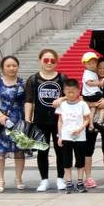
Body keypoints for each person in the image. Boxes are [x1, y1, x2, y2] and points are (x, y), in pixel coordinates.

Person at [24, 49, 67, 192]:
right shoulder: (33, 79)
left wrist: (62, 98)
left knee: (61, 150)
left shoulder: (62, 78)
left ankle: (61, 178)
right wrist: (27, 120)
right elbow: (29, 101)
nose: (49, 63)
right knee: (42, 151)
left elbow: (72, 95)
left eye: (52, 60)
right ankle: (44, 180)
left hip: (59, 120)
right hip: (40, 120)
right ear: (40, 61)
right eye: (46, 60)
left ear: (56, 62)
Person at [0, 56, 27, 193]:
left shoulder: (23, 83)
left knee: (19, 152)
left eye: (14, 65)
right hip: (1, 122)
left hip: (18, 121)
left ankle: (19, 179)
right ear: (3, 67)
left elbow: (27, 102)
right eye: (8, 66)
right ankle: (0, 180)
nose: (11, 68)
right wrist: (0, 115)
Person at [81, 58, 104, 187]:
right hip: (90, 119)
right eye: (99, 67)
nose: (102, 70)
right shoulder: (89, 82)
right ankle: (88, 177)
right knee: (88, 148)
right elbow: (81, 99)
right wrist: (93, 104)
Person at [56, 79, 90, 193]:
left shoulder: (82, 104)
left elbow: (87, 119)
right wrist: (60, 136)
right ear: (64, 91)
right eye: (68, 92)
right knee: (67, 161)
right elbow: (60, 121)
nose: (70, 94)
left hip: (80, 137)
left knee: (80, 160)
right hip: (66, 136)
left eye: (73, 92)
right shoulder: (62, 105)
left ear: (78, 91)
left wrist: (80, 129)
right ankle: (69, 182)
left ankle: (80, 182)